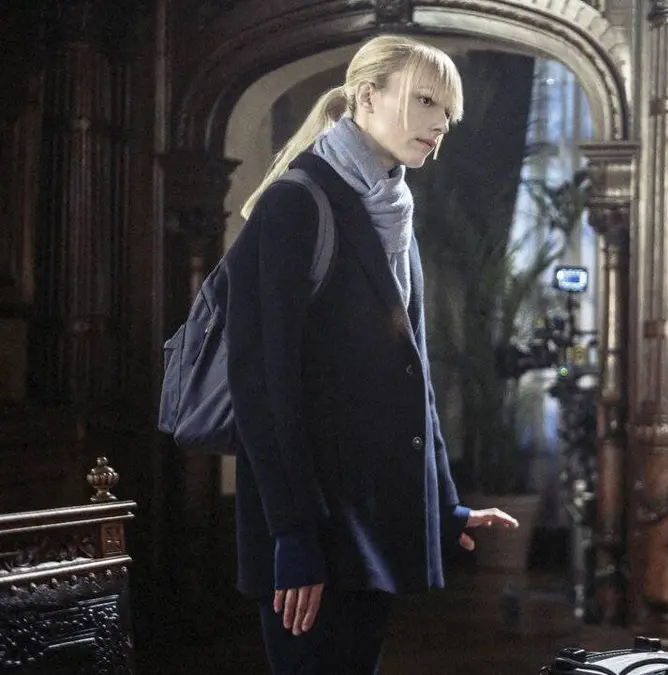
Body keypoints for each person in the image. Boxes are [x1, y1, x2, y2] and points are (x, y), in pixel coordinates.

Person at [226, 35, 519, 674]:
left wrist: (444, 504)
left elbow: (412, 377)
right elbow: (262, 384)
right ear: (365, 97)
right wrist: (293, 532)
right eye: (425, 101)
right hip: (312, 524)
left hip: (374, 522)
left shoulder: (392, 209)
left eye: (448, 112)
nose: (440, 124)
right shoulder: (294, 203)